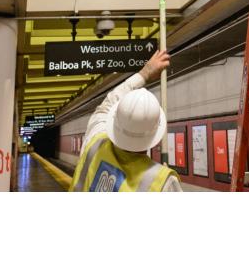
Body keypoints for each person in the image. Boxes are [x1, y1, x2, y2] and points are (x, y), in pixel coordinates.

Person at [69, 48, 182, 191]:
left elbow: (106, 105)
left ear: (115, 121)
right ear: (155, 136)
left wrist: (144, 73)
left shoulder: (94, 143)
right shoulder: (162, 182)